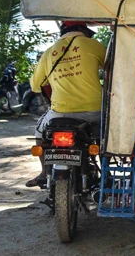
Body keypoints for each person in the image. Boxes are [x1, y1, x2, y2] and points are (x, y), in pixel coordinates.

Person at [25, 21, 106, 188]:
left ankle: (44, 173)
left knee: (40, 133)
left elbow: (35, 85)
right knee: (104, 138)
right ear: (81, 29)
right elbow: (112, 68)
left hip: (60, 112)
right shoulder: (92, 44)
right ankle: (106, 173)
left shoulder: (49, 52)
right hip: (94, 111)